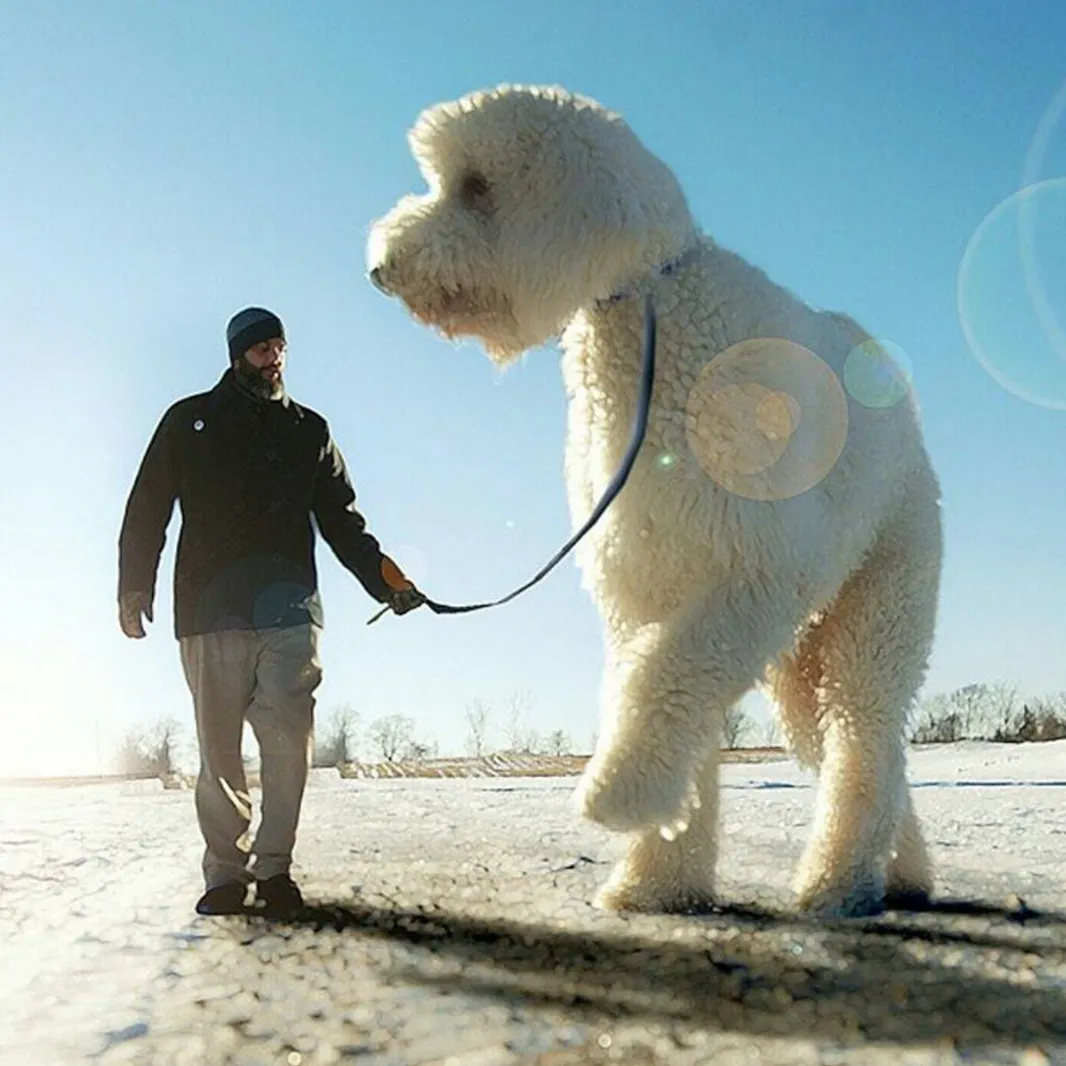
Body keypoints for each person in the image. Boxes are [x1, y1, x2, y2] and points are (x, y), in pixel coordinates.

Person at [117, 307, 425, 918]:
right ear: (237, 355)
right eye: (261, 349)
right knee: (219, 753)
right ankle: (224, 875)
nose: (274, 358)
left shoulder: (308, 430)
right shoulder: (189, 422)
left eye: (280, 347)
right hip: (209, 613)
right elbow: (146, 508)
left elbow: (343, 520)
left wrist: (387, 581)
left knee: (288, 748)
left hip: (290, 613)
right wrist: (134, 587)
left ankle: (275, 868)